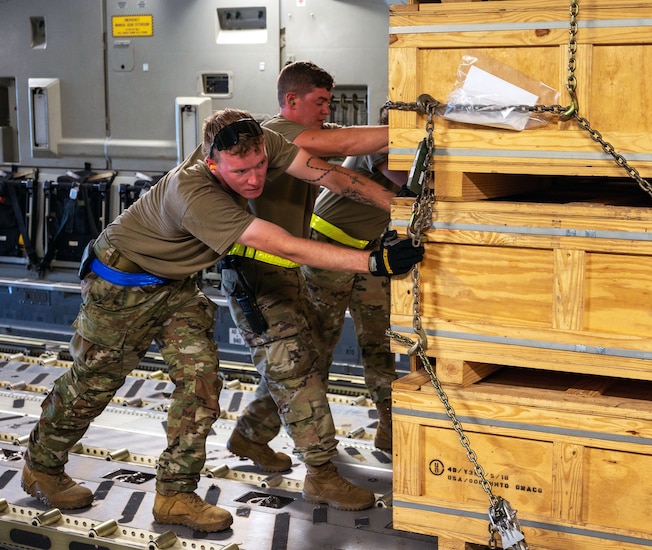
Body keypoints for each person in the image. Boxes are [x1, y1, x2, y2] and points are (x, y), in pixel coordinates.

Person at [21, 108, 423, 533]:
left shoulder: (261, 144)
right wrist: (374, 262)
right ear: (212, 163)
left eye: (260, 167)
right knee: (92, 384)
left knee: (202, 382)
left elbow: (330, 175)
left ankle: (175, 494)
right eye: (241, 172)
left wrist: (398, 205)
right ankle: (41, 467)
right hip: (121, 283)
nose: (255, 181)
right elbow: (285, 246)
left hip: (176, 286)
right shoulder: (194, 192)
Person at [223, 61, 396, 511]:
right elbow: (349, 145)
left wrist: (391, 203)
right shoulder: (274, 132)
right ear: (291, 101)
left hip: (309, 265)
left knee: (308, 359)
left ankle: (254, 436)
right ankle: (313, 468)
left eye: (329, 102)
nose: (327, 109)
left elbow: (340, 174)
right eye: (320, 101)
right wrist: (415, 127)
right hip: (273, 269)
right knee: (301, 365)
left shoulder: (297, 144)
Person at [303, 106, 409, 454]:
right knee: (317, 345)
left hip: (368, 253)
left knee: (380, 340)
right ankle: (257, 432)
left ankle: (390, 428)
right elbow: (408, 186)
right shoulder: (379, 149)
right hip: (327, 248)